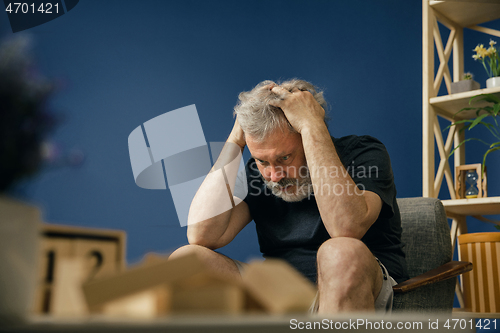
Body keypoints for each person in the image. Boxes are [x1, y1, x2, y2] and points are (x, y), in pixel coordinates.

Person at [169, 79, 409, 313]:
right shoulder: (259, 173)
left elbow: (346, 227)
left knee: (341, 251)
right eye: (263, 161)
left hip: (361, 285)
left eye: (285, 158)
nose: (274, 176)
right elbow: (201, 234)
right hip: (282, 295)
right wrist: (235, 140)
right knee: (188, 261)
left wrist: (312, 125)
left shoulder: (364, 153)